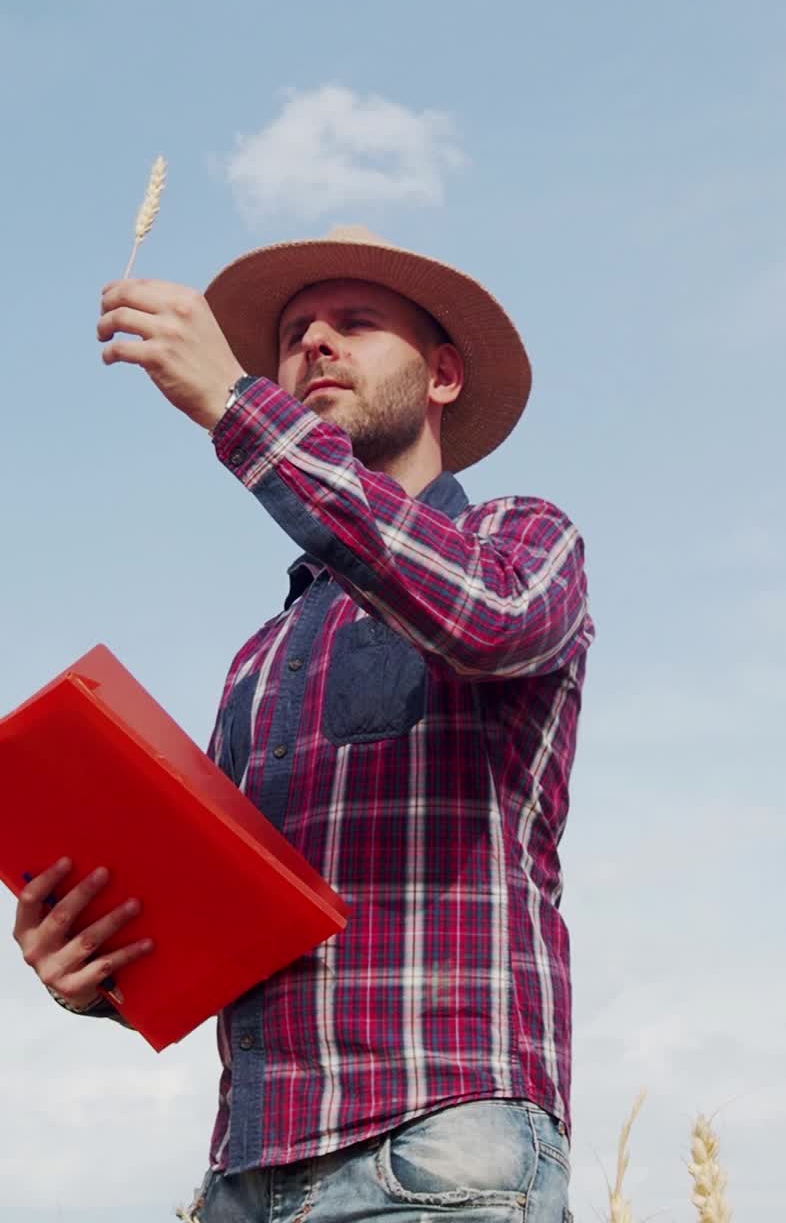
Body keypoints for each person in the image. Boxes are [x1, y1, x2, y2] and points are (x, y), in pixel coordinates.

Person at [14, 226, 594, 1221]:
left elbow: (484, 622)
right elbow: (223, 911)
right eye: (292, 334)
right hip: (247, 1167)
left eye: (355, 323)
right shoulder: (258, 658)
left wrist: (235, 407)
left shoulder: (521, 539)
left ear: (444, 375)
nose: (314, 342)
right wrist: (96, 960)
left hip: (437, 1139)